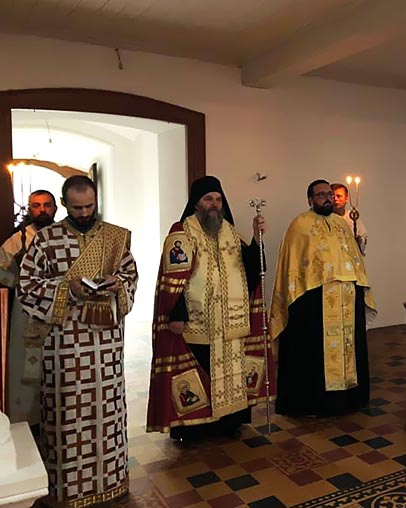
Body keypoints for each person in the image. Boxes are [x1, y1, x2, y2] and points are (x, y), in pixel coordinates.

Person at [17, 175, 138, 507]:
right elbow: (27, 286)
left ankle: (112, 481)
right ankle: (67, 490)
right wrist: (67, 289)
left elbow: (131, 276)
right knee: (67, 414)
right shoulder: (46, 240)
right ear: (64, 204)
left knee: (108, 413)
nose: (85, 213)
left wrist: (118, 284)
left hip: (106, 347)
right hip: (65, 347)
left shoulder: (115, 237)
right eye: (77, 208)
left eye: (90, 206)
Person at [146, 176, 274, 442]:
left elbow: (253, 273)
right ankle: (194, 429)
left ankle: (228, 423)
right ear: (196, 203)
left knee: (231, 374)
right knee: (198, 375)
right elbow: (172, 278)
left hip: (230, 323)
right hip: (197, 322)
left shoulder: (231, 232)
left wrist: (257, 239)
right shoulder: (182, 231)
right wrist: (176, 314)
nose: (214, 204)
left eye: (218, 199)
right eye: (208, 199)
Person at [270, 179, 376, 417]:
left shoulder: (341, 224)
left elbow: (355, 259)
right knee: (313, 352)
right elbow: (292, 265)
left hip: (346, 299)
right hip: (313, 300)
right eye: (321, 195)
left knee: (349, 350)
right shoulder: (299, 225)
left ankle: (350, 399)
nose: (327, 198)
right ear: (310, 199)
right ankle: (314, 403)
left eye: (329, 194)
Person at [0, 190, 57, 426]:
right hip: (27, 314)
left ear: (55, 207)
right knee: (28, 366)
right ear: (29, 209)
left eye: (47, 205)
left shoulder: (62, 235)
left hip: (57, 309)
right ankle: (30, 421)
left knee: (58, 363)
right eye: (36, 205)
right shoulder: (19, 240)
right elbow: (1, 269)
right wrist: (19, 281)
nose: (42, 210)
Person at [331, 183, 368, 255]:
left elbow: (362, 242)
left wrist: (359, 241)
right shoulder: (324, 219)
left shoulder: (352, 217)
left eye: (339, 196)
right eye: (333, 196)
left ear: (346, 199)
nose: (335, 199)